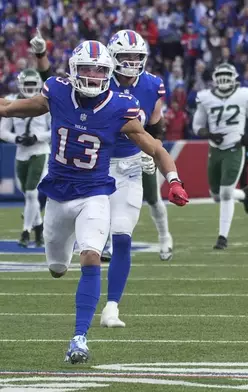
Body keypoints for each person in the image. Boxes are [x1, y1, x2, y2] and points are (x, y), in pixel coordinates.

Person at [0, 40, 189, 363]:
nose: (92, 75)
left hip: (95, 193)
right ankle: (67, 264)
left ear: (108, 72)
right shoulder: (57, 92)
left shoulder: (119, 106)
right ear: (73, 70)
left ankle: (79, 338)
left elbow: (156, 147)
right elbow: (9, 107)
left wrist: (173, 179)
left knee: (91, 256)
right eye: (86, 68)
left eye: (100, 70)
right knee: (58, 268)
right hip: (58, 194)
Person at [99, 29, 173, 329]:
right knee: (61, 258)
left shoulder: (153, 85)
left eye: (136, 56)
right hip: (97, 161)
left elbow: (156, 126)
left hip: (130, 163)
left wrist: (151, 152)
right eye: (125, 56)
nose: (131, 61)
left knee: (122, 236)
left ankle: (112, 307)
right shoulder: (98, 80)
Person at [192, 63, 248, 250]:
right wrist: (208, 134)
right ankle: (244, 195)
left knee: (224, 193)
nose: (223, 79)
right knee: (215, 195)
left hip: (234, 147)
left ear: (234, 77)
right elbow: (197, 125)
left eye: (226, 75)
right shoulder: (205, 97)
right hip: (214, 149)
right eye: (220, 75)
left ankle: (222, 238)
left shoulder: (244, 95)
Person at [0, 69, 50, 247]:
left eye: (32, 84)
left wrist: (37, 137)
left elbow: (55, 130)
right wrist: (17, 138)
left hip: (40, 151)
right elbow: (3, 131)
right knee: (28, 193)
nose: (29, 88)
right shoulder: (12, 101)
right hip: (21, 152)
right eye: (26, 84)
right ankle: (39, 229)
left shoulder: (46, 102)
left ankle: (25, 232)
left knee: (30, 192)